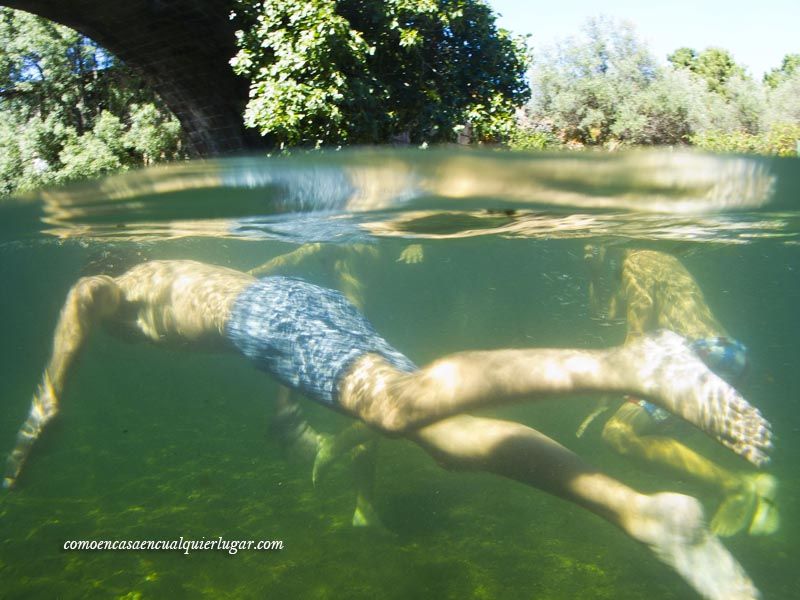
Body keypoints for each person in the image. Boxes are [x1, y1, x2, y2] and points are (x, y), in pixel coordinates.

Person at [4, 259, 772, 600]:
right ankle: (645, 513)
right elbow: (252, 317)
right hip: (290, 310)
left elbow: (78, 314)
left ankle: (631, 363)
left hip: (270, 315)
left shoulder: (109, 286)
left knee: (395, 407)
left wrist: (42, 416)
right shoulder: (177, 276)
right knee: (440, 437)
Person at [582, 245, 778, 537]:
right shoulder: (645, 263)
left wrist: (614, 383)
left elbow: (637, 332)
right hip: (720, 354)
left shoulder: (638, 261)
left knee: (620, 432)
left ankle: (737, 488)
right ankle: (750, 491)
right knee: (635, 433)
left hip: (698, 355)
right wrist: (595, 270)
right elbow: (606, 314)